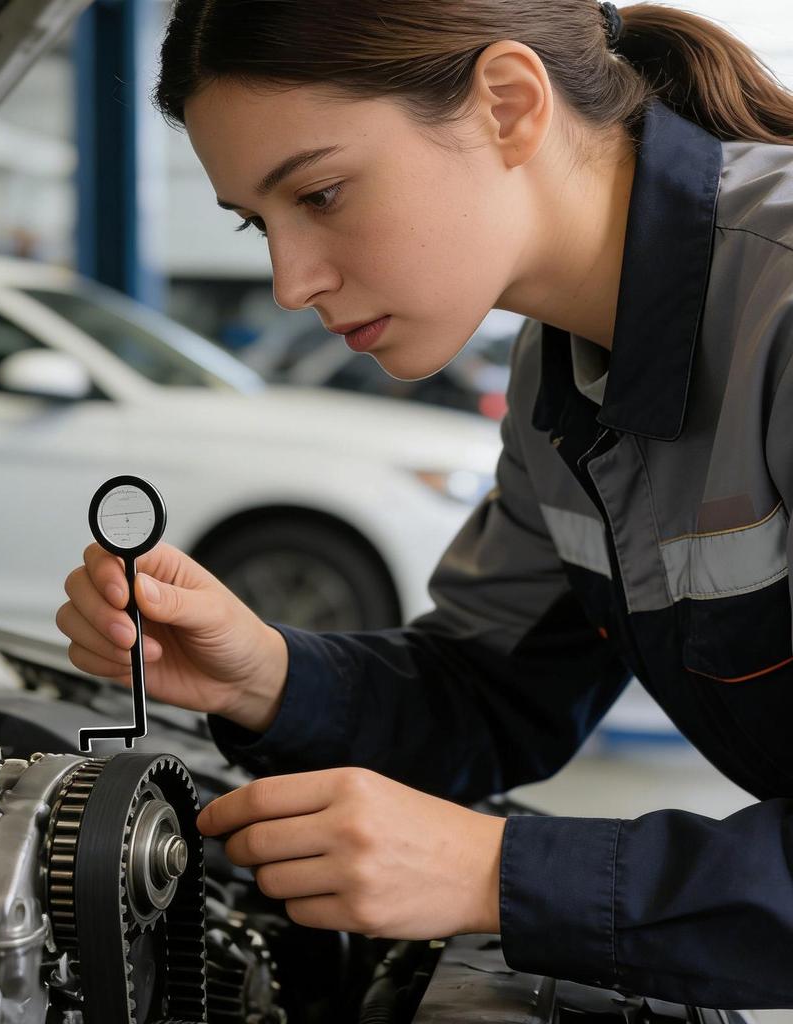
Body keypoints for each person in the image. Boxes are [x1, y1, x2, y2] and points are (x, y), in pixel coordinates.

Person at [57, 0, 793, 1008]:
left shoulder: (782, 308)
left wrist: (496, 872)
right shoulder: (563, 380)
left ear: (507, 103)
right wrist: (265, 674)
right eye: (258, 223)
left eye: (318, 193)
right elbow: (491, 693)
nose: (288, 281)